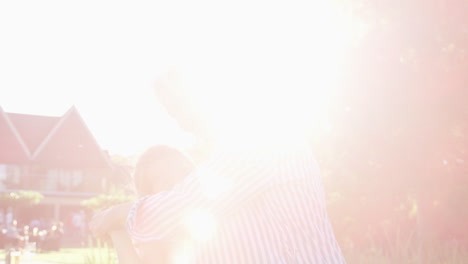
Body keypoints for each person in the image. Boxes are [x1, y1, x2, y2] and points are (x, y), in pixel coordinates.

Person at [90, 69, 347, 263]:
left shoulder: (265, 139)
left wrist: (114, 216)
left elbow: (184, 203)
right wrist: (119, 231)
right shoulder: (225, 182)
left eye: (183, 103)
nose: (182, 121)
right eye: (173, 112)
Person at [98, 145, 195, 263]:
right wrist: (117, 231)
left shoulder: (209, 208)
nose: (169, 181)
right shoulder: (155, 233)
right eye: (158, 178)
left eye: (174, 171)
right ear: (149, 191)